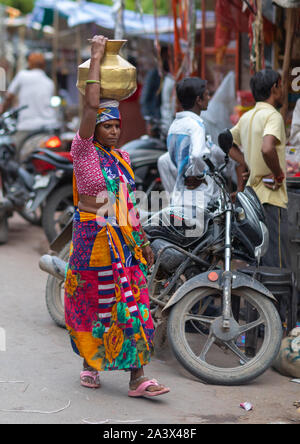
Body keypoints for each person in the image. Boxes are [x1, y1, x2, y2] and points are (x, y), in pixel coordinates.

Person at [65, 35, 170, 398]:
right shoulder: (83, 151)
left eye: (116, 126)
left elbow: (128, 206)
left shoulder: (121, 159)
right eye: (107, 126)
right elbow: (91, 105)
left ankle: (137, 377)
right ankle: (91, 363)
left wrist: (142, 241)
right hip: (91, 240)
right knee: (94, 304)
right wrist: (96, 56)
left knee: (134, 305)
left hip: (123, 245)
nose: (113, 130)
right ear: (93, 128)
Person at [229, 69, 290, 268]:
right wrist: (279, 174)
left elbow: (225, 140)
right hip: (271, 199)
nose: (283, 90)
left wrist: (245, 162)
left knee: (260, 260)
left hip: (252, 199)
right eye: (281, 86)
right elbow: (267, 147)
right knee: (276, 261)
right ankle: (277, 300)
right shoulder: (273, 116)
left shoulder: (248, 117)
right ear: (274, 88)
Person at [0, 52, 58, 151]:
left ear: (29, 64)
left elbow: (9, 97)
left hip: (27, 126)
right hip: (48, 126)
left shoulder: (22, 76)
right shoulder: (49, 82)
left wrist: (2, 111)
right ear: (44, 65)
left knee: (16, 156)